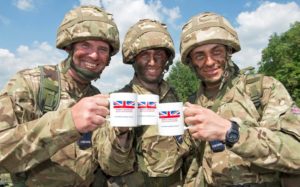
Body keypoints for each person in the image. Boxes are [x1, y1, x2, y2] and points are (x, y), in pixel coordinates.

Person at [0, 5, 119, 186]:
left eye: (103, 49)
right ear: (69, 47)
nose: (94, 55)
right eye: (85, 45)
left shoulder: (95, 97)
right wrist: (67, 122)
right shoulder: (32, 83)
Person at [179, 12, 300, 186]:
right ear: (191, 61)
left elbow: (296, 153)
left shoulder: (262, 89)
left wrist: (231, 132)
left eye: (217, 51)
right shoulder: (192, 103)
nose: (209, 61)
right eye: (200, 55)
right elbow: (193, 166)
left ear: (229, 51)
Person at [92, 19, 194, 186]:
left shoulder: (174, 98)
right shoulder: (118, 102)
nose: (152, 62)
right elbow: (111, 167)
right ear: (134, 59)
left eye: (159, 55)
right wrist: (121, 131)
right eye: (145, 55)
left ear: (166, 60)